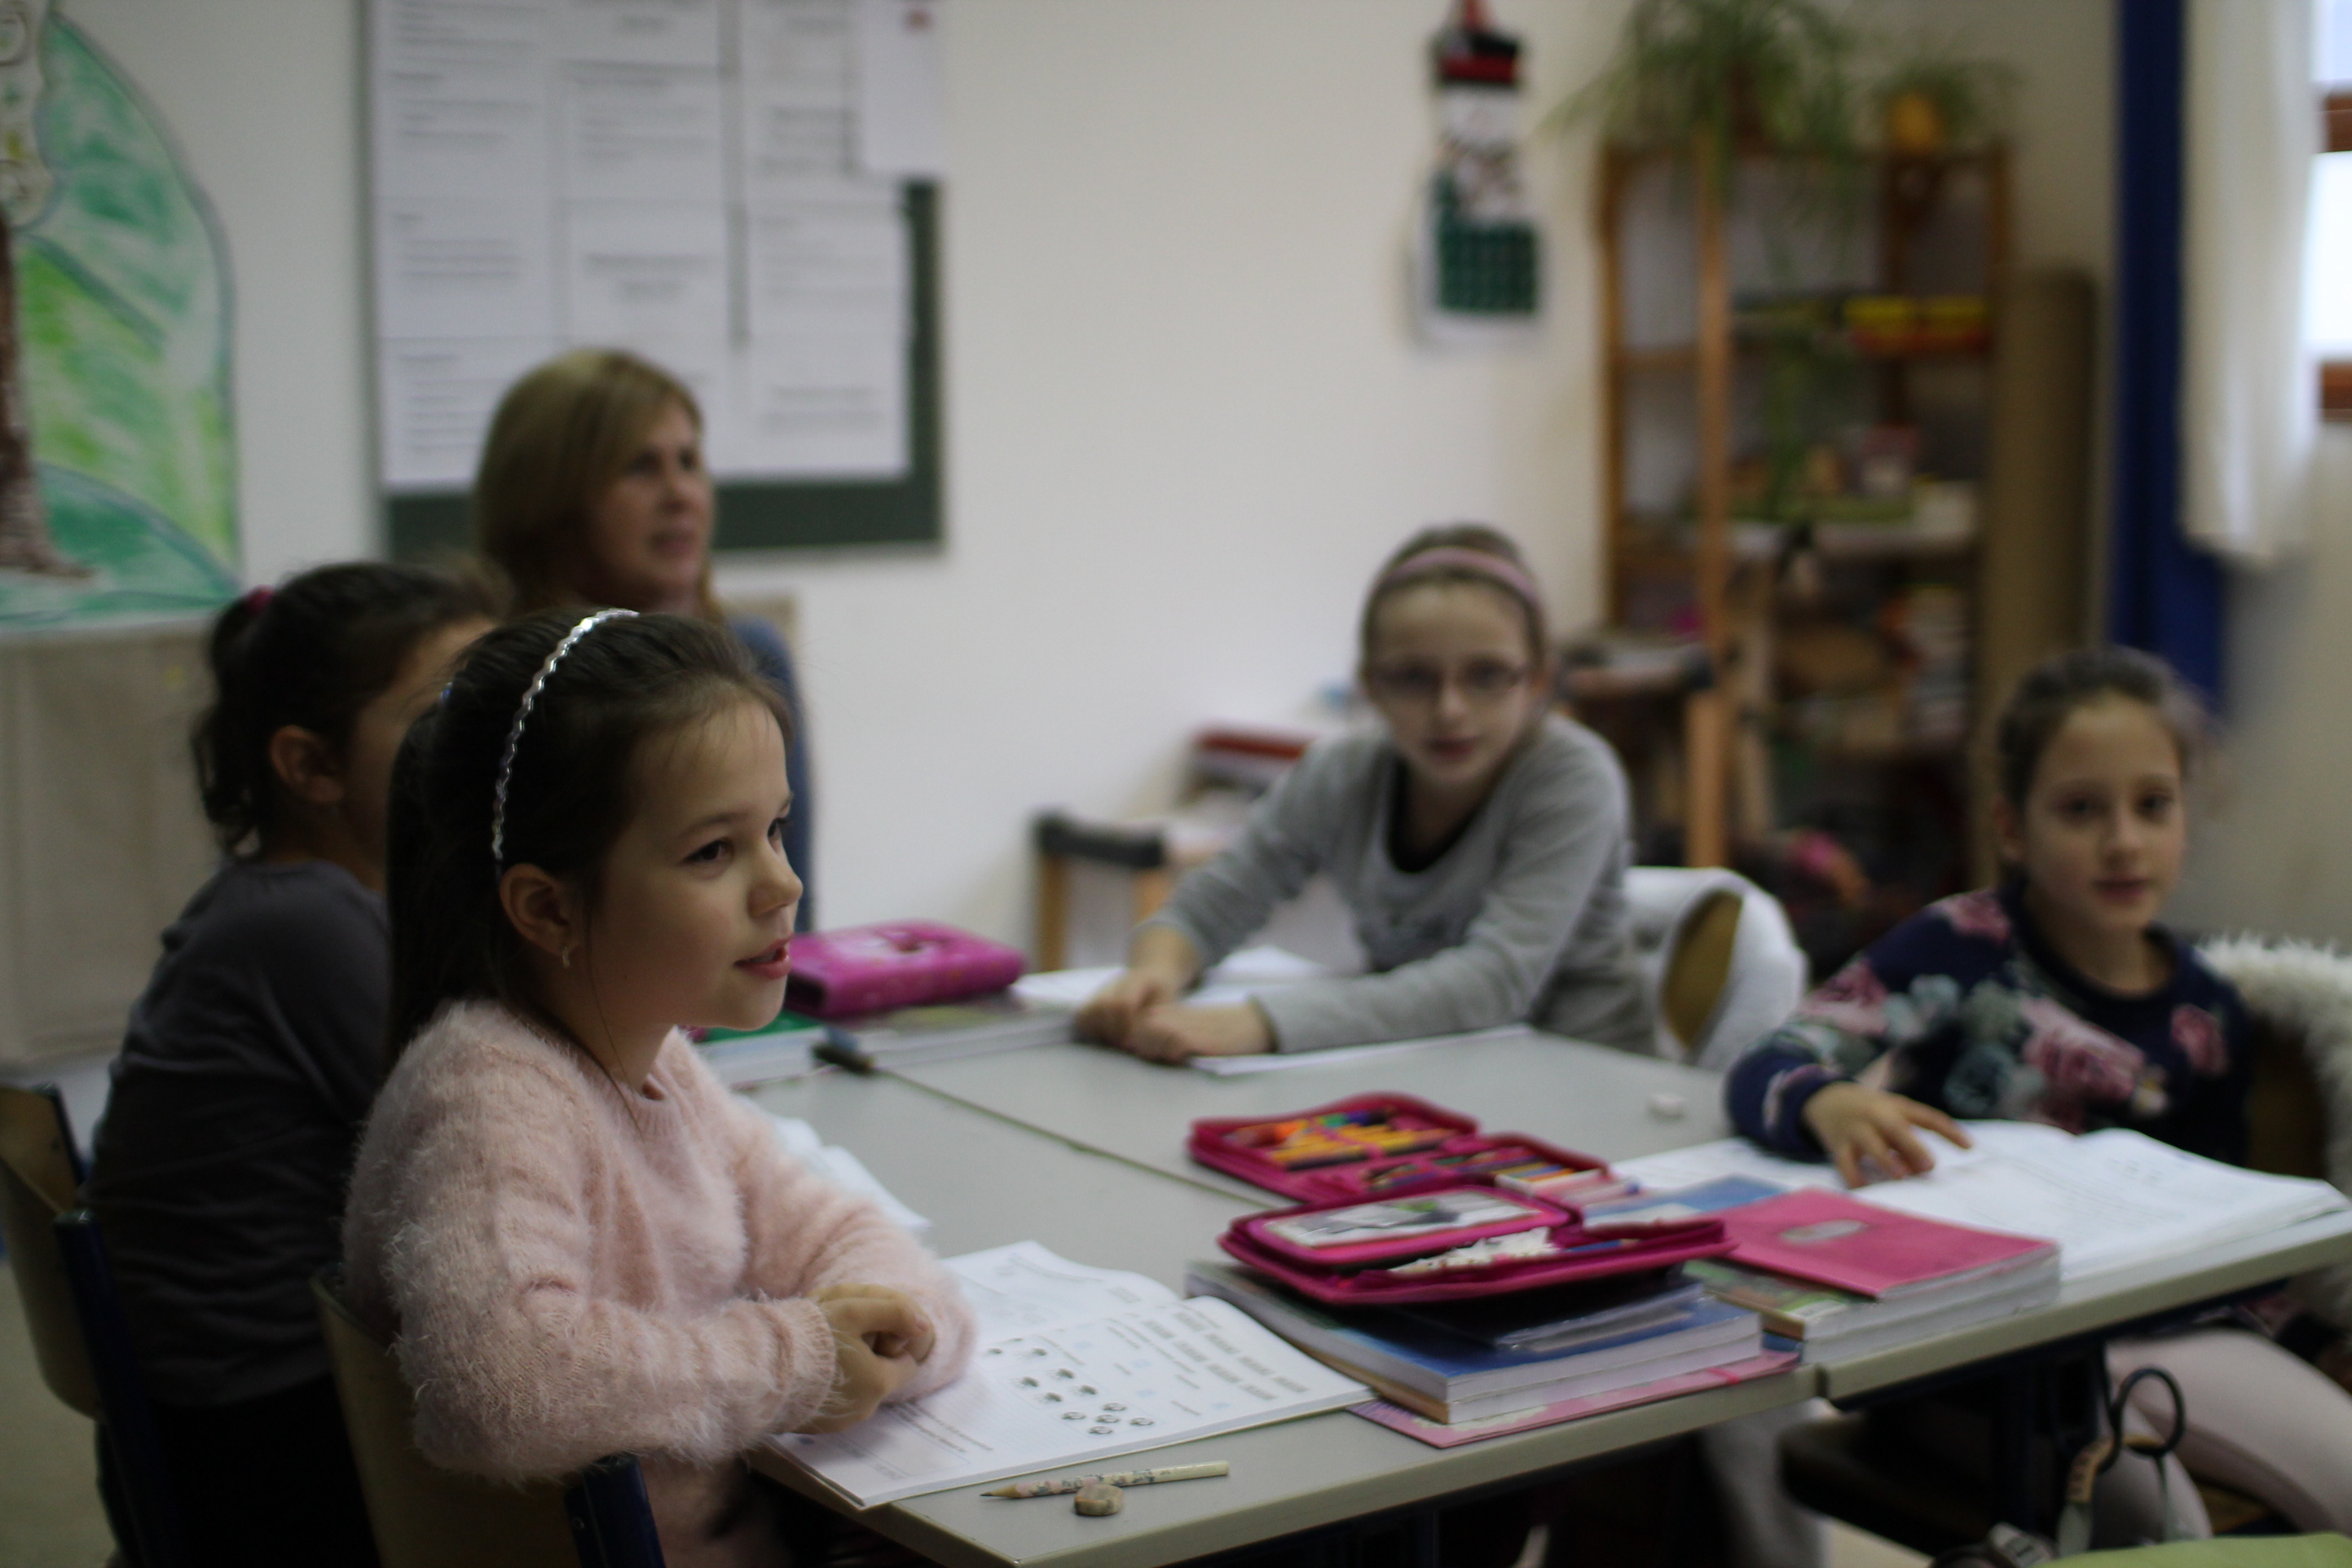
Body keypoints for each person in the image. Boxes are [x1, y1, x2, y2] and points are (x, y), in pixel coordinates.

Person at [343, 608, 971, 1567]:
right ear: (548, 907)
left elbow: (828, 1225)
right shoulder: (486, 1092)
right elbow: (502, 1384)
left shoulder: (656, 1058)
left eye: (775, 829)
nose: (782, 885)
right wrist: (799, 1360)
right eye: (712, 851)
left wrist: (897, 1328)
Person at [1724, 645, 2352, 1540]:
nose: (2122, 840)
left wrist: (2316, 1345)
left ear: (2187, 817)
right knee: (2160, 1527)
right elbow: (1769, 1061)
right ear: (2012, 828)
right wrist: (1827, 1102)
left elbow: (2226, 1237)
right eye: (2081, 809)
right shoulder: (1955, 946)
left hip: (2158, 1327)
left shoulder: (2208, 1011)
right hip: (1978, 1344)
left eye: (2152, 805)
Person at [85, 562, 495, 1567]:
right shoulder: (308, 926)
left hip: (229, 1423)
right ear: (311, 767)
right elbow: (486, 1143)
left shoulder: (294, 904)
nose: (491, 747)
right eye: (445, 715)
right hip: (267, 1455)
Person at [1079, 524, 1647, 1063]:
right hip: (1431, 1066)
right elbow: (1214, 903)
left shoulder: (1573, 776)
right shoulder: (1342, 771)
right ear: (1371, 686)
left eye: (1487, 675)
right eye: (1413, 678)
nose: (1450, 709)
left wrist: (1264, 1024)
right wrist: (1154, 973)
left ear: (1539, 681)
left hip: (1583, 1074)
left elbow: (1494, 984)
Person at [473, 346, 816, 925]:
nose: (681, 495)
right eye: (640, 467)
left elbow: (795, 920)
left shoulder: (751, 656)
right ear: (550, 501)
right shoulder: (501, 691)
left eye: (689, 461)